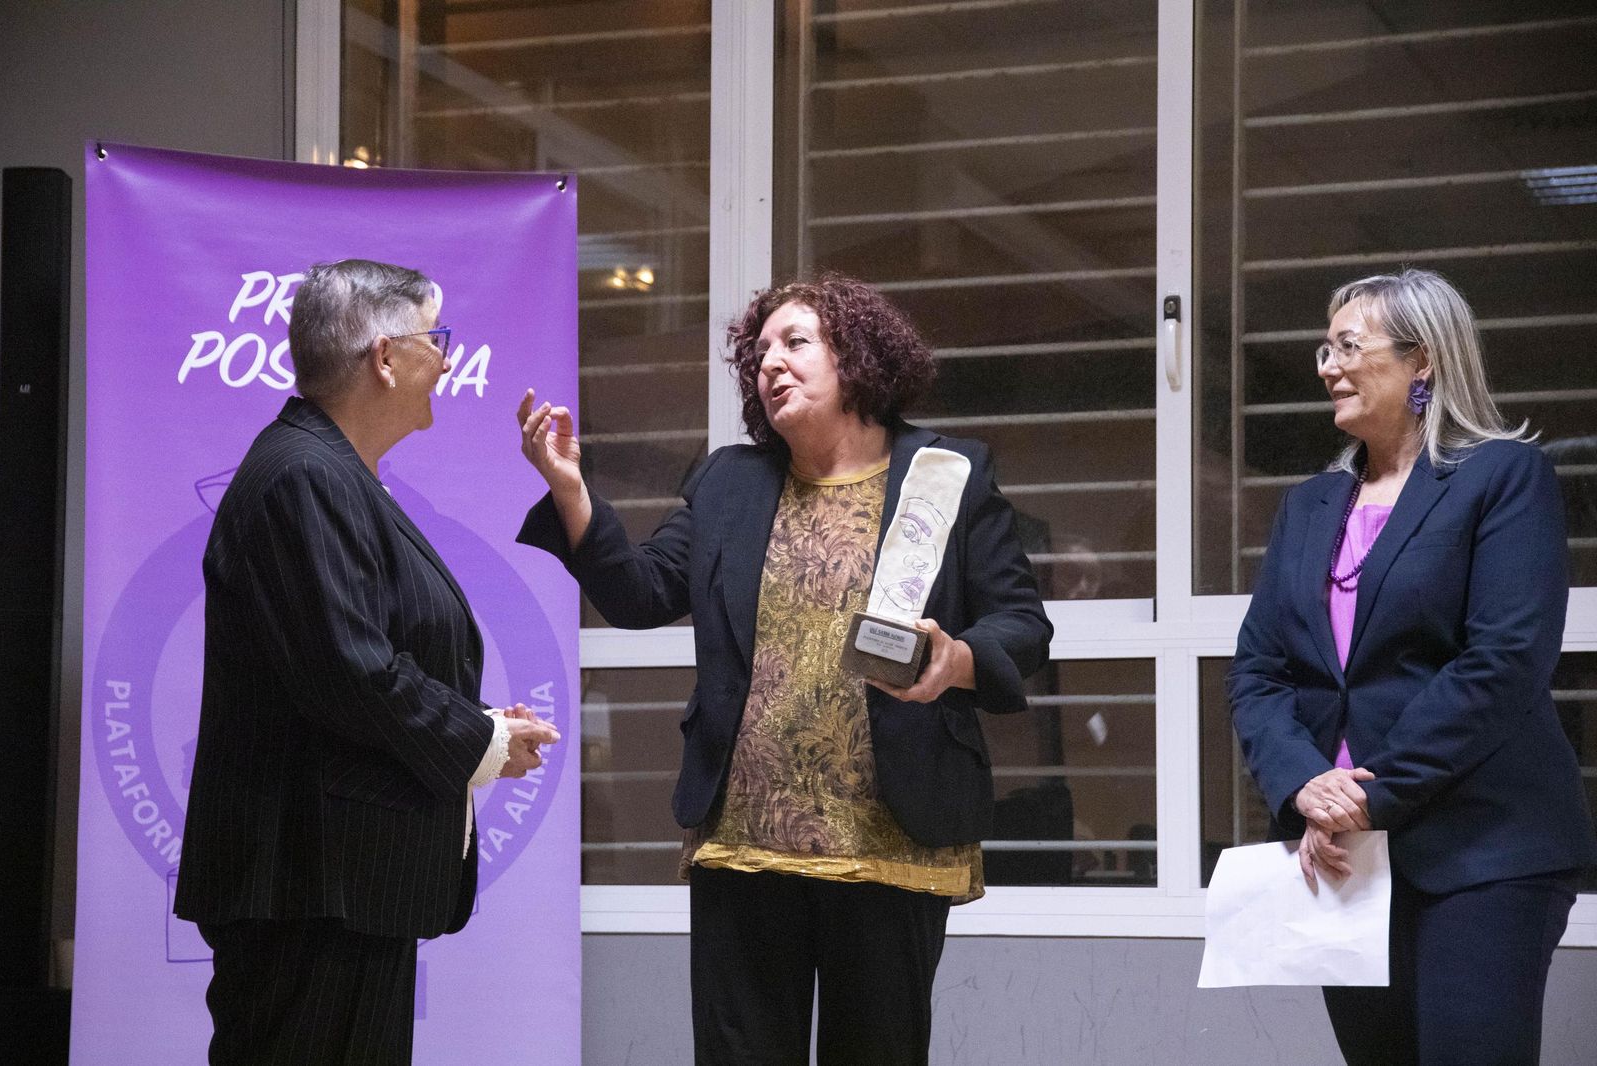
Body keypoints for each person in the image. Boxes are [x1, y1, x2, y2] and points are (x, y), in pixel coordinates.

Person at [516, 274, 1052, 1065]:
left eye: (795, 343)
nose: (771, 363)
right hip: (746, 842)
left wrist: (957, 660)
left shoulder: (947, 474)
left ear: (858, 359)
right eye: (759, 353)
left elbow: (1024, 624)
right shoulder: (728, 481)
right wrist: (570, 492)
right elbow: (639, 591)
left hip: (890, 839)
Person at [174, 258, 560, 1064]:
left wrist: (480, 728)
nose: (447, 361)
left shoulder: (334, 473)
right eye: (435, 337)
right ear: (385, 357)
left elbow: (360, 661)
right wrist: (481, 741)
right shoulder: (303, 476)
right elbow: (352, 670)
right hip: (308, 887)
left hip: (339, 884)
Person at [1228, 268, 1597, 1065]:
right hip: (1346, 860)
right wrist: (1301, 784)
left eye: (1348, 345)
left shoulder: (1502, 477)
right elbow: (1259, 670)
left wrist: (1365, 796)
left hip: (1483, 850)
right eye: (1324, 347)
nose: (1327, 365)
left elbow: (1501, 662)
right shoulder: (1310, 506)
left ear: (1422, 360)